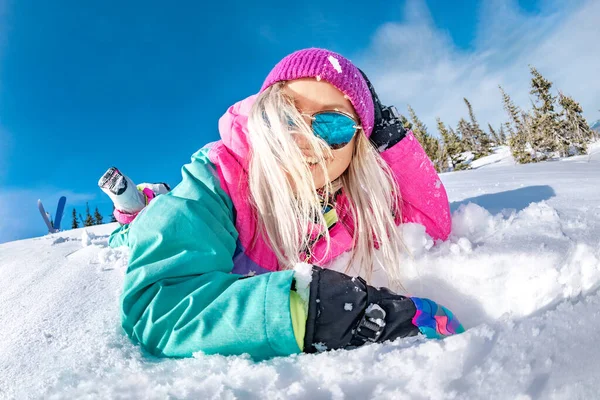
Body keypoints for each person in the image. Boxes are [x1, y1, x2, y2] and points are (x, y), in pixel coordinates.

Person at [102, 48, 464, 360]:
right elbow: (160, 304)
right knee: (141, 227)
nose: (304, 141)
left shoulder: (346, 203)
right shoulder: (220, 179)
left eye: (333, 126)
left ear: (357, 145)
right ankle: (138, 207)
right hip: (178, 220)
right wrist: (310, 309)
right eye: (287, 120)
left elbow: (427, 224)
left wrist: (391, 138)